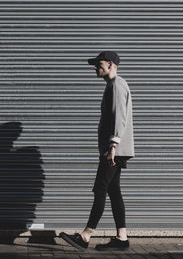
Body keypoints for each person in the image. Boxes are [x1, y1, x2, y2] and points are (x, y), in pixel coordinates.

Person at [60, 51, 134, 250]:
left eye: (98, 64)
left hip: (114, 150)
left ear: (110, 64)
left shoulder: (117, 85)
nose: (95, 67)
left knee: (100, 189)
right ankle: (122, 238)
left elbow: (120, 117)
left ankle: (85, 236)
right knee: (113, 190)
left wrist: (113, 146)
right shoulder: (113, 85)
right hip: (115, 149)